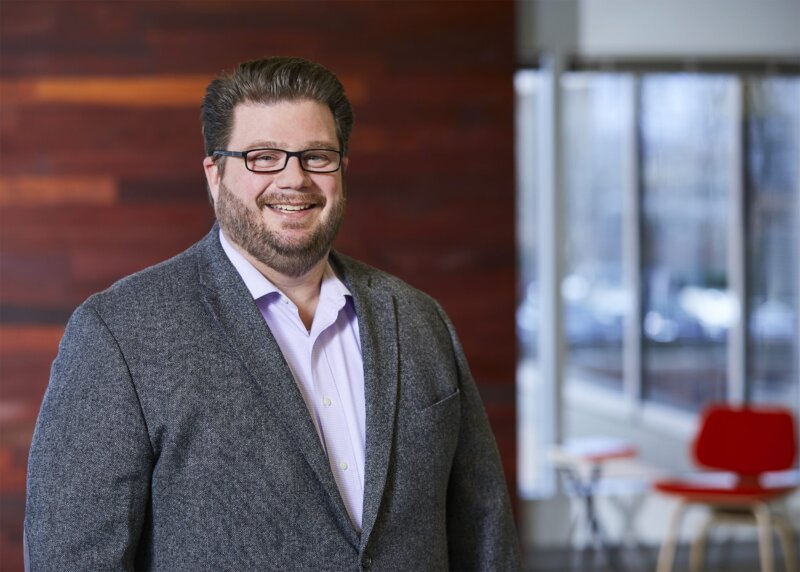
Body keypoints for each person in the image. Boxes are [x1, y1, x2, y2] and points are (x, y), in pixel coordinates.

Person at [24, 56, 520, 571]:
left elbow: (486, 536)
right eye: (263, 157)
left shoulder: (418, 319)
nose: (294, 179)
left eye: (317, 156)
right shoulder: (119, 334)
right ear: (215, 175)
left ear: (342, 170)